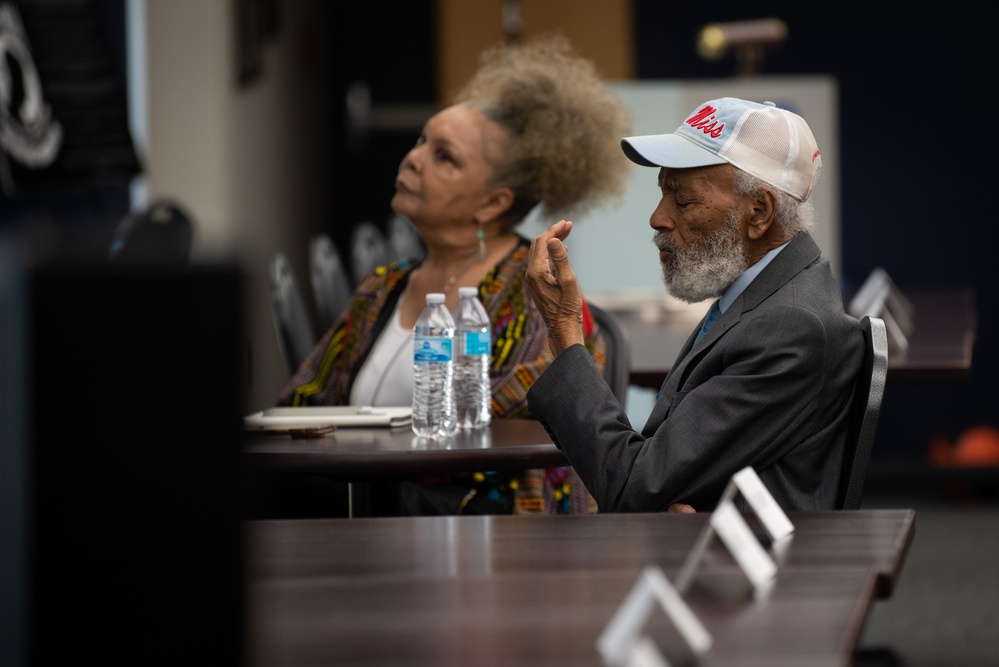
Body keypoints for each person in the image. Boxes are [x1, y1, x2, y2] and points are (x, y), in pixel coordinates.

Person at [277, 34, 632, 514]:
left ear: (493, 202)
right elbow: (302, 402)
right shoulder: (381, 288)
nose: (413, 159)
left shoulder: (528, 292)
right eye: (422, 140)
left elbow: (490, 433)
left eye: (444, 157)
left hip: (498, 539)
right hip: (375, 517)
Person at [525, 97, 864, 513]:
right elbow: (652, 477)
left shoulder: (791, 327)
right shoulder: (766, 292)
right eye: (663, 193)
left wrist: (564, 328)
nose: (657, 217)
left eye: (683, 202)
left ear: (758, 212)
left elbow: (634, 486)